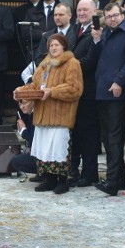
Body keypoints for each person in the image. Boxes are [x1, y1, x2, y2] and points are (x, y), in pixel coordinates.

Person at [13, 34, 83, 195]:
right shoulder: (44, 64)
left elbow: (75, 89)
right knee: (45, 149)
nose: (53, 48)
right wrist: (20, 91)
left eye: (56, 45)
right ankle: (49, 179)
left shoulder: (72, 63)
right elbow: (35, 86)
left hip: (60, 116)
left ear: (63, 46)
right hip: (43, 115)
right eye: (51, 45)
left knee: (59, 149)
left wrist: (52, 91)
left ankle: (62, 181)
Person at [89, 3, 125, 196]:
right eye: (109, 16)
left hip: (118, 91)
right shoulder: (105, 33)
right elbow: (96, 58)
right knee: (108, 137)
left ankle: (113, 182)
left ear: (122, 15)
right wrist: (96, 40)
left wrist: (120, 81)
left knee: (114, 137)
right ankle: (118, 179)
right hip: (102, 90)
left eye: (115, 15)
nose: (112, 19)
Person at [69, 0, 100, 187]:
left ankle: (90, 174)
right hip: (76, 90)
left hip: (89, 90)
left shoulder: (96, 31)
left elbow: (90, 61)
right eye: (79, 10)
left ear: (94, 11)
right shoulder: (76, 29)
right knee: (77, 133)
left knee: (89, 134)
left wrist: (69, 67)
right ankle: (76, 170)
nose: (81, 13)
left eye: (85, 10)